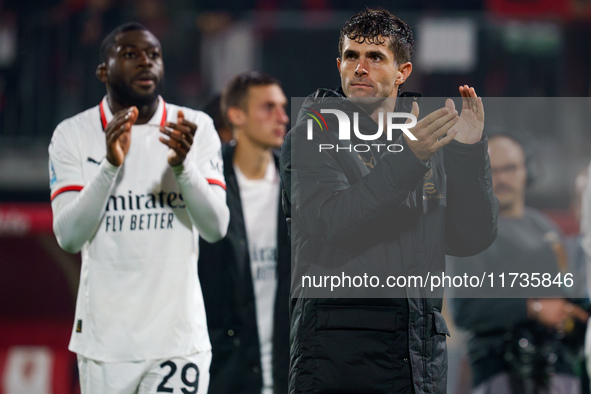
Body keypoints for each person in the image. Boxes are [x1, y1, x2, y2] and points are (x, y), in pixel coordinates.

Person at [280, 8, 498, 394]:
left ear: (403, 72)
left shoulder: (421, 141)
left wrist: (466, 156)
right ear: (339, 65)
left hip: (416, 360)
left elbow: (469, 238)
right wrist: (409, 159)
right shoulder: (312, 135)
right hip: (339, 362)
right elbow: (335, 221)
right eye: (351, 56)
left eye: (375, 57)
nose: (360, 67)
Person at [48, 22, 229, 393]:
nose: (145, 62)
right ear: (103, 70)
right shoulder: (73, 134)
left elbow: (216, 228)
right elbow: (68, 237)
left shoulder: (194, 128)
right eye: (130, 55)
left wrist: (182, 167)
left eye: (153, 55)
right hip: (105, 344)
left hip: (178, 341)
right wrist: (110, 167)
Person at [450, 134, 588, 394]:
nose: (502, 177)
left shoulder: (546, 228)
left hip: (559, 370)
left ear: (528, 170)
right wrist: (533, 307)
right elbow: (465, 310)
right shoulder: (471, 231)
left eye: (510, 168)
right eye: (494, 169)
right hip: (502, 370)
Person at [198, 71, 290, 394]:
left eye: (283, 106)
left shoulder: (302, 183)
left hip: (288, 372)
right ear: (235, 115)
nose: (282, 117)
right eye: (268, 107)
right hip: (225, 375)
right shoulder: (205, 185)